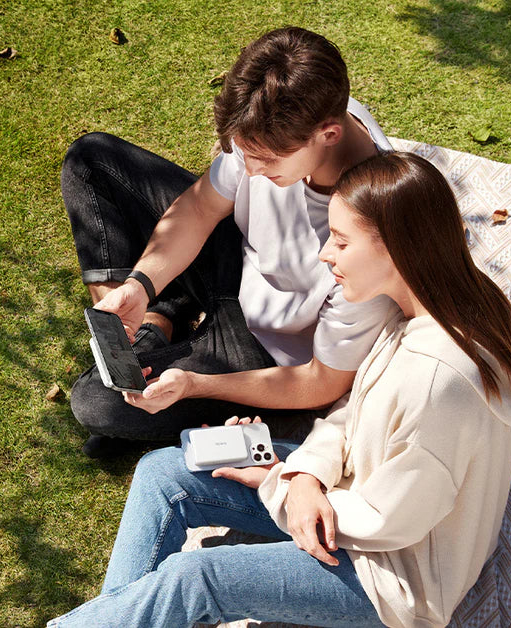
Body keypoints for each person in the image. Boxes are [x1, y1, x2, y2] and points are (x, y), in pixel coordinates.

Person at [47, 152, 511, 627]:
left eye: (343, 242)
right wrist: (304, 473)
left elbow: (394, 520)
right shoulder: (420, 305)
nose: (326, 254)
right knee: (164, 475)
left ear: (398, 247)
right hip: (342, 490)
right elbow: (353, 410)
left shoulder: (441, 380)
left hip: (393, 575)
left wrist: (278, 484)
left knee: (197, 578)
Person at [61, 27, 398, 458]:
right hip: (236, 254)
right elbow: (202, 208)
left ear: (328, 134)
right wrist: (140, 283)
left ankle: (164, 337)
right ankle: (152, 323)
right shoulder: (281, 120)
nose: (251, 172)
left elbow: (323, 382)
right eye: (244, 154)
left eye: (267, 161)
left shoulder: (370, 231)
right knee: (91, 160)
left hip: (263, 345)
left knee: (96, 402)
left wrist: (194, 385)